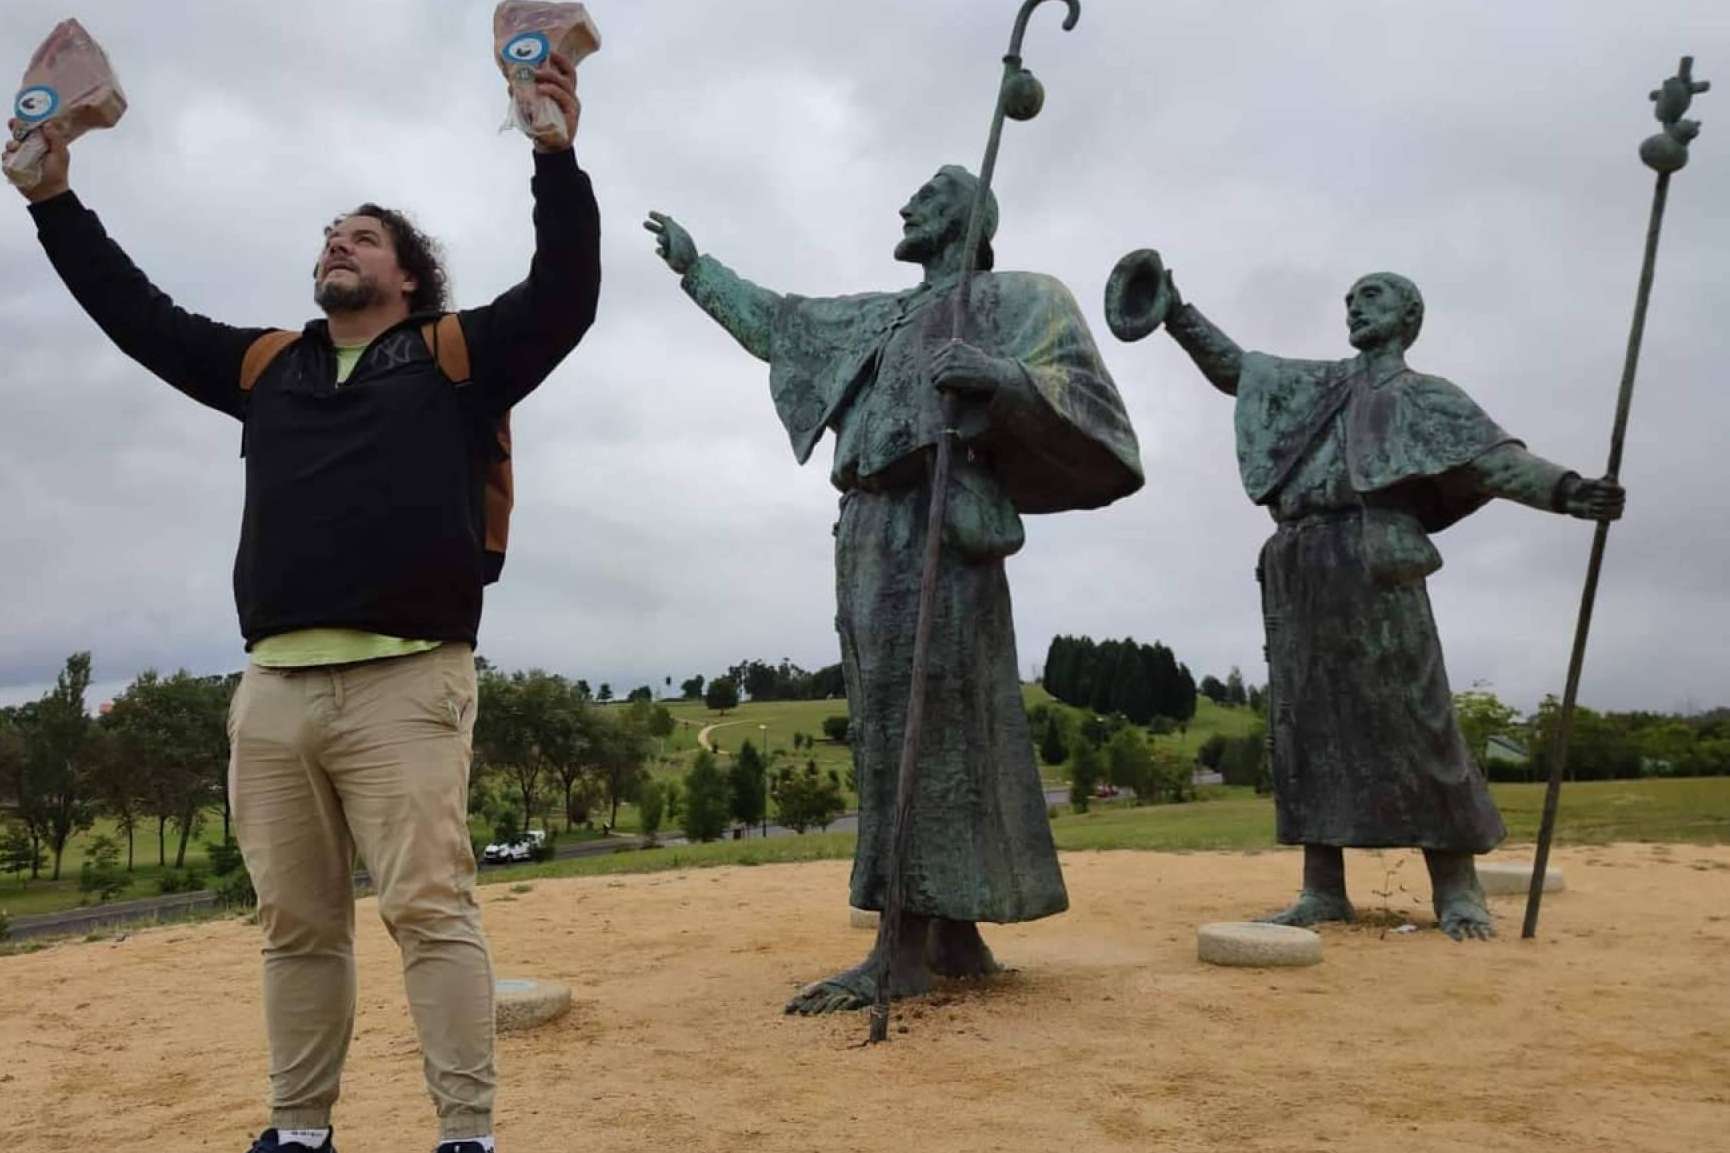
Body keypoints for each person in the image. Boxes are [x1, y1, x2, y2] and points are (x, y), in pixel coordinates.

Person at [7, 52, 599, 1153]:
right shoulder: (267, 365)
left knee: (427, 911)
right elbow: (138, 317)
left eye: (363, 235)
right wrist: (53, 201)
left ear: (409, 278)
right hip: (272, 690)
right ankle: (298, 1131)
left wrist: (552, 152)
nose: (336, 242)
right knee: (294, 927)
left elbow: (566, 290)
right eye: (329, 232)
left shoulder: (456, 357)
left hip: (407, 678)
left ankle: (465, 1134)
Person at [645, 166, 1143, 1012]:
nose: (906, 206)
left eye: (927, 197)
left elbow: (1095, 410)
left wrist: (1000, 377)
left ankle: (901, 948)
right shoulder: (884, 314)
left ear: (968, 218)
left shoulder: (1020, 299)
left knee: (928, 720)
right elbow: (781, 324)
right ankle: (953, 929)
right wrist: (700, 270)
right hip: (872, 527)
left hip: (945, 522)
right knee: (895, 721)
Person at [1152, 267, 1623, 939]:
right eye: (1349, 298)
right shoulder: (1316, 385)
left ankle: (1456, 889)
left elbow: (1499, 463)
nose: (1353, 305)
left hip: (1375, 558)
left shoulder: (1427, 399)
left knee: (1416, 719)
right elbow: (1238, 369)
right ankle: (1322, 888)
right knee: (1308, 728)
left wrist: (1574, 491)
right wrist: (1176, 312)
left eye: (1371, 295)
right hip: (1299, 564)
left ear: (1408, 316)